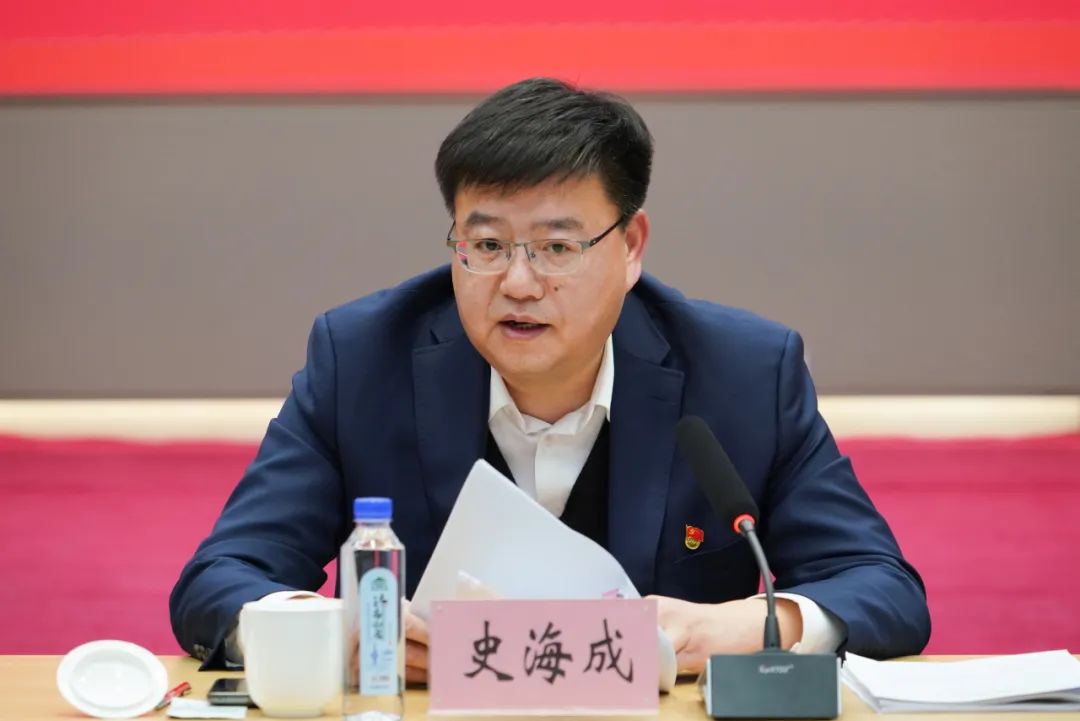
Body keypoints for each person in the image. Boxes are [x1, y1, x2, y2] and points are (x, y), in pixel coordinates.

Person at [170, 77, 930, 679]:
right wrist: (344, 634)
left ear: (631, 246)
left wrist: (742, 626)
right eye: (487, 245)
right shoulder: (363, 358)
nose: (518, 283)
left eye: (557, 248)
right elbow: (220, 579)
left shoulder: (743, 372)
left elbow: (880, 586)